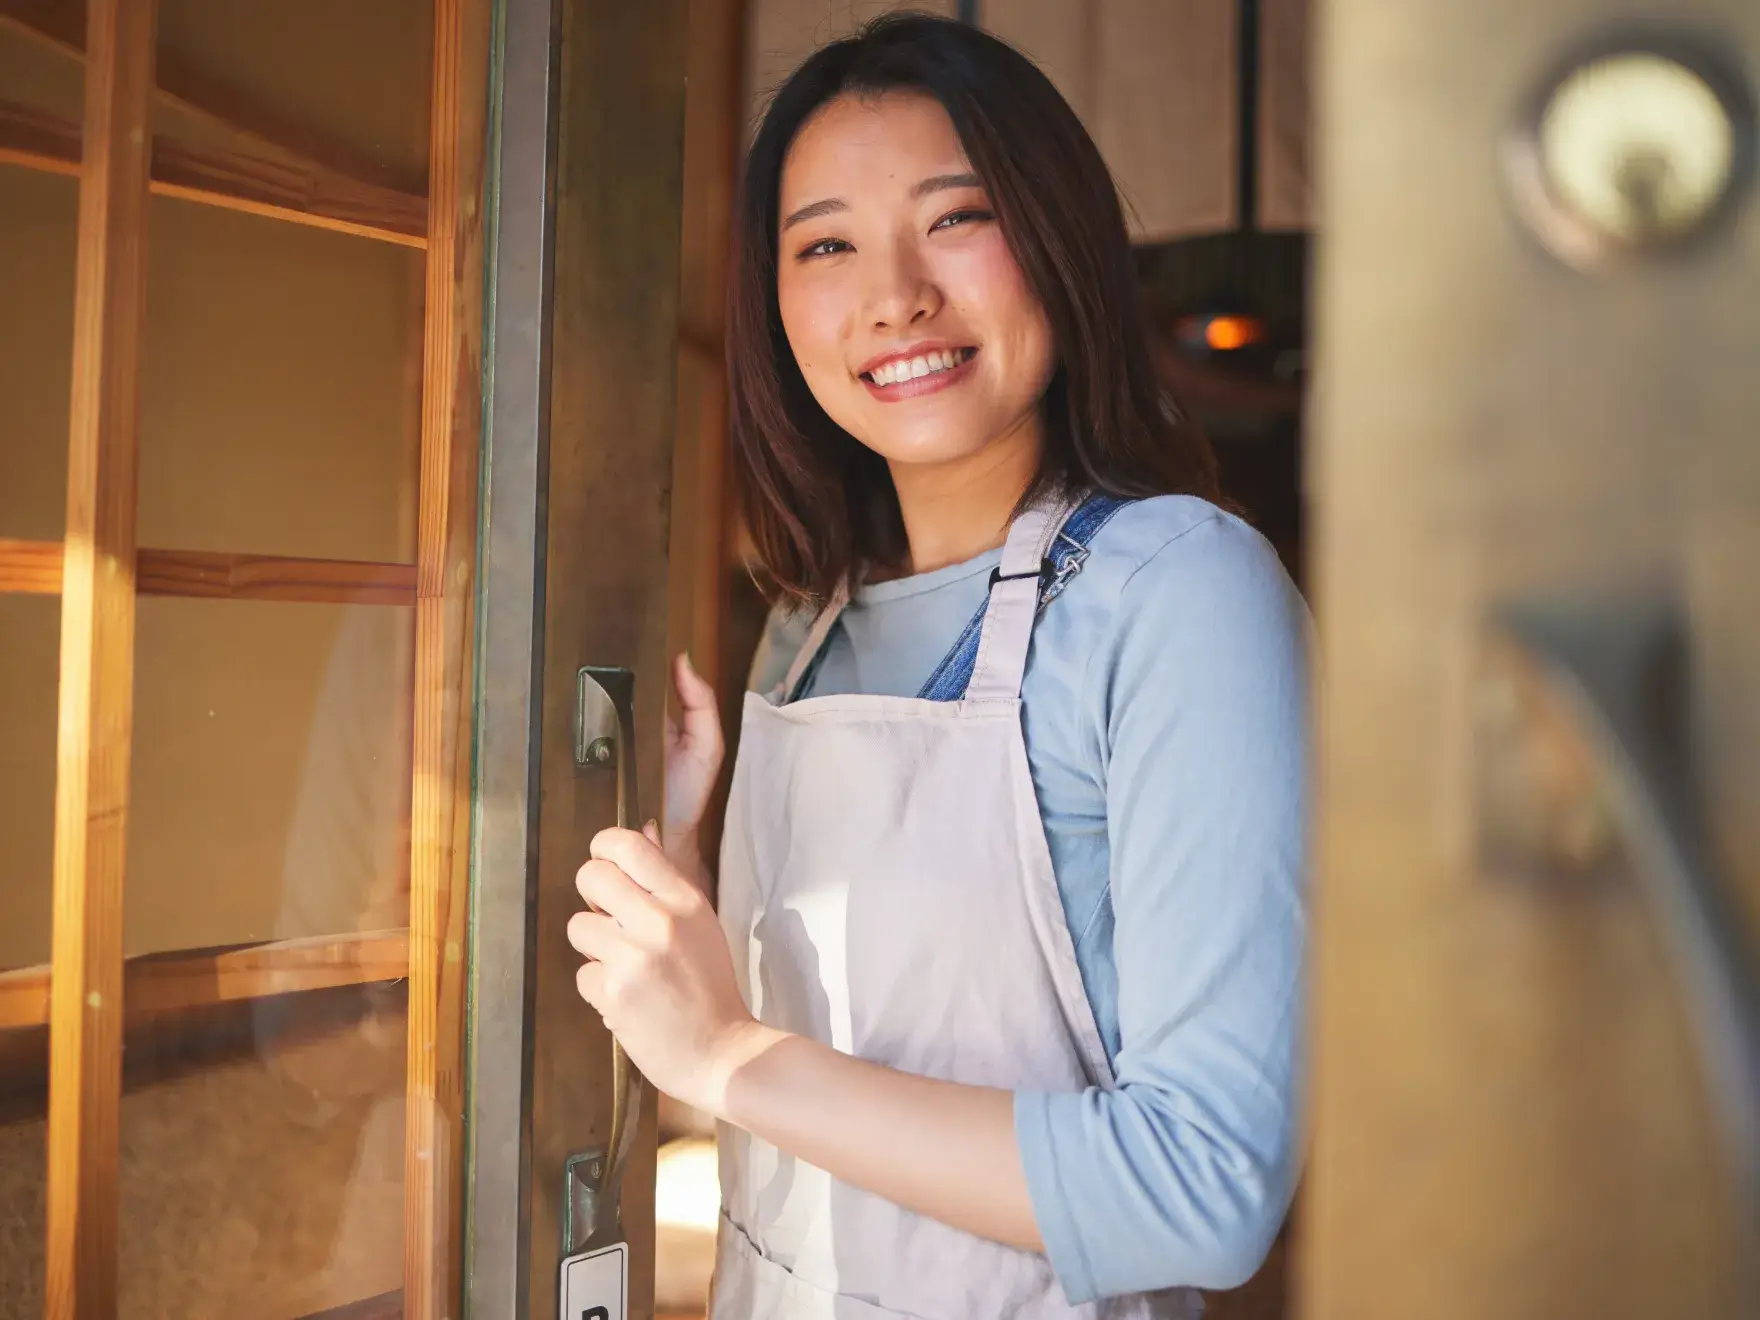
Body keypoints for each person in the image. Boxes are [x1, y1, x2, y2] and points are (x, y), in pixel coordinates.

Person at [566, 15, 1309, 1317]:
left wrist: (729, 1054)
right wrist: (691, 892)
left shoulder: (1180, 591)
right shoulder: (806, 621)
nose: (893, 293)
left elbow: (1206, 1187)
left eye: (955, 218)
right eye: (827, 244)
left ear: (1060, 239)